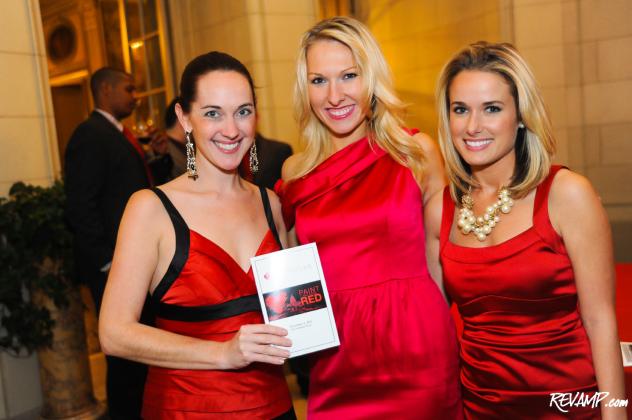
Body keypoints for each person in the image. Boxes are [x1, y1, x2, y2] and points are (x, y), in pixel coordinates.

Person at [426, 41, 627, 419]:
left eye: (492, 109)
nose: (473, 126)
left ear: (520, 116)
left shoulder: (566, 194)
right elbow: (432, 325)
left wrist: (616, 414)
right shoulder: (441, 209)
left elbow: (600, 320)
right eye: (460, 110)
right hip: (480, 407)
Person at [278, 17, 462, 419]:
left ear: (372, 78)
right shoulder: (295, 173)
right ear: (304, 89)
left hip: (418, 351)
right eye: (318, 80)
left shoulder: (415, 152)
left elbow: (440, 259)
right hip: (336, 359)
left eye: (349, 75)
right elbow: (293, 276)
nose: (335, 95)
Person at [98, 51, 295, 419]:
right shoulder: (150, 208)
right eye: (212, 113)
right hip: (188, 409)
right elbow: (114, 333)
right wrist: (222, 353)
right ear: (183, 118)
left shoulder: (271, 204)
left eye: (243, 111)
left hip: (275, 407)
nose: (232, 129)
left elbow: (291, 309)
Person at [64, 67, 167, 419]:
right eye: (129, 88)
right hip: (113, 266)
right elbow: (81, 204)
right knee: (124, 357)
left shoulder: (118, 134)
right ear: (105, 90)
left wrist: (154, 156)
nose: (135, 96)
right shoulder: (89, 134)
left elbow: (126, 186)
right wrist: (107, 262)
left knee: (140, 356)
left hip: (136, 261)